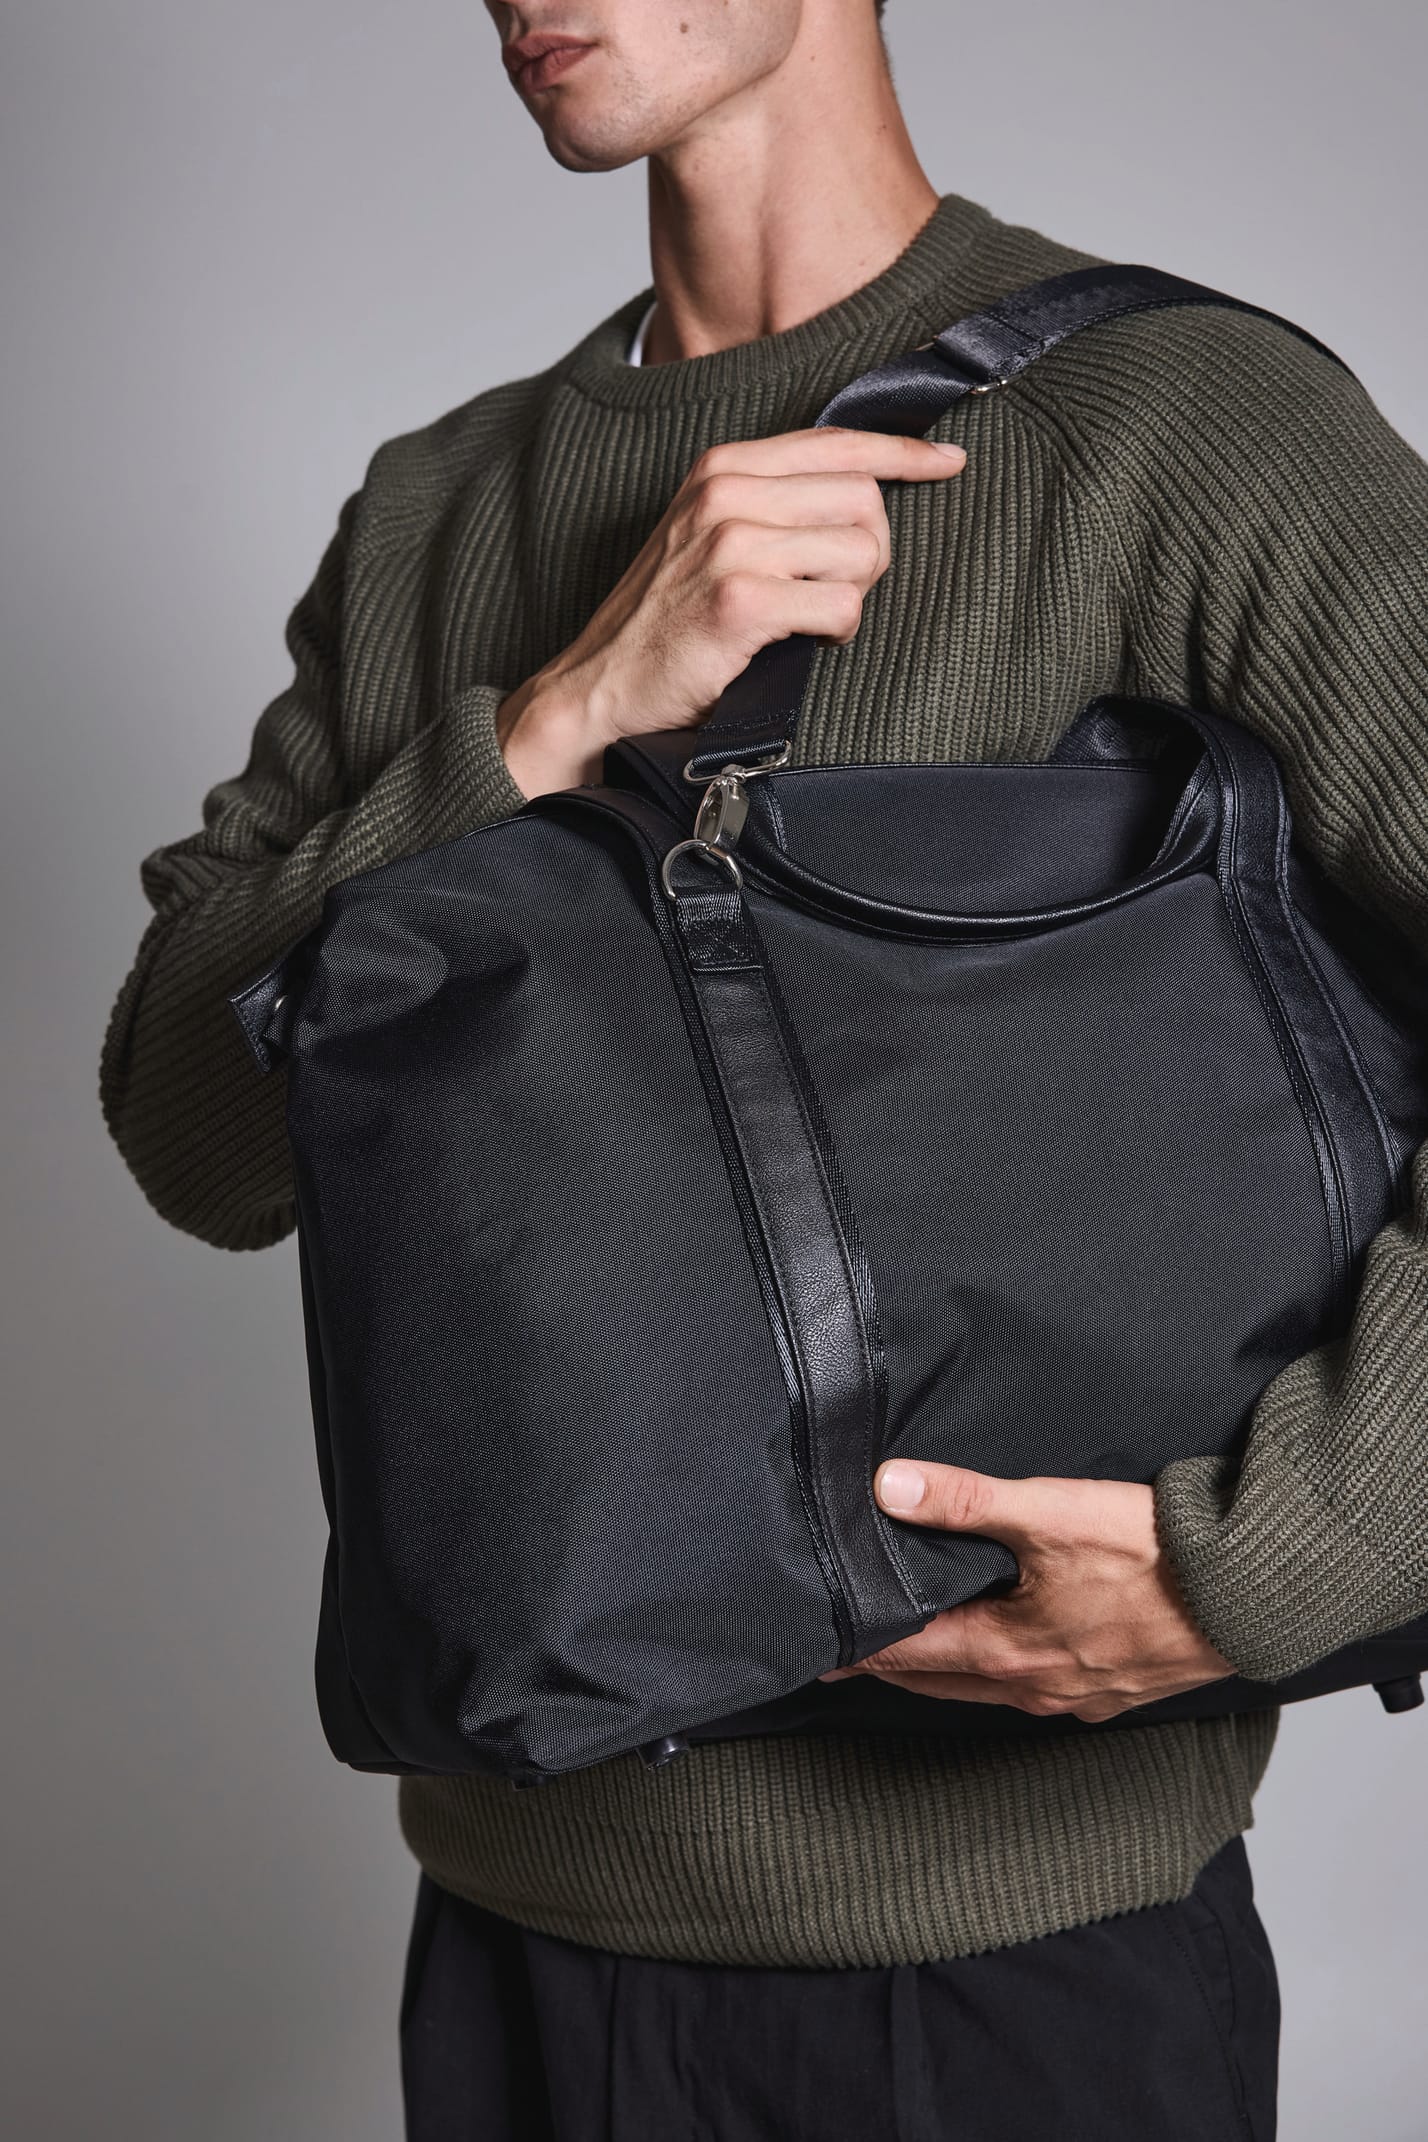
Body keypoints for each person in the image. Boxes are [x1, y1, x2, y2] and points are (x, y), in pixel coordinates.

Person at [101, 2, 1428, 2135]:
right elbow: (199, 1122)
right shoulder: (445, 511)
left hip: (1022, 1984)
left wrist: (1268, 1562)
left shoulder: (1188, 433)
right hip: (519, 1961)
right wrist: (552, 714)